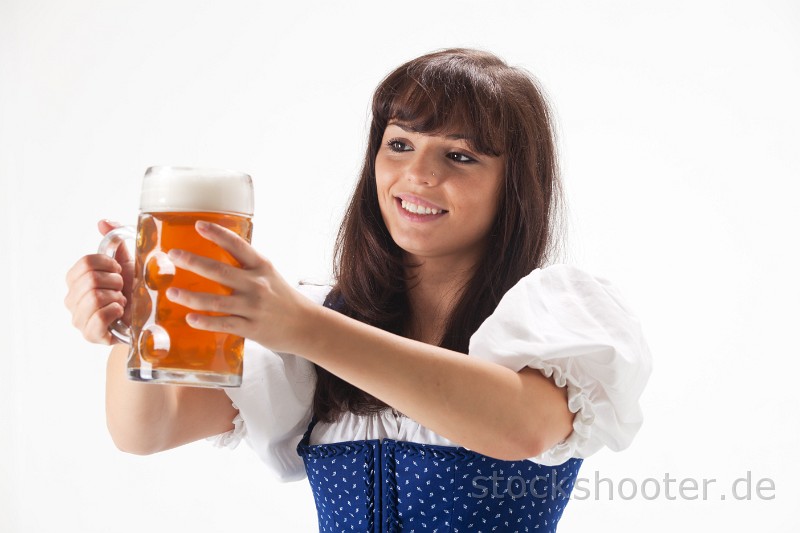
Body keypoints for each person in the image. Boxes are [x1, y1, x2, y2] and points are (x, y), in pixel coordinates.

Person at [64, 48, 651, 532]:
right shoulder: (322, 323)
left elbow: (520, 427)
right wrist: (136, 319)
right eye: (399, 144)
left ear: (515, 186)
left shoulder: (556, 312)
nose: (418, 174)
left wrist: (303, 327)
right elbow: (146, 431)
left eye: (460, 155)